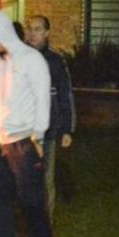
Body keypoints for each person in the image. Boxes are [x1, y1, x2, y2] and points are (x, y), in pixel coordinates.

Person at [0, 10, 53, 237]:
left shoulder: (32, 60)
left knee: (32, 202)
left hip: (23, 142)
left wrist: (37, 135)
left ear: (1, 32)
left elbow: (43, 99)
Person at [25, 15, 77, 223]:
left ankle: (45, 224)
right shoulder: (19, 57)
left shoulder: (55, 61)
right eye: (30, 28)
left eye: (37, 29)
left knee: (45, 177)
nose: (32, 33)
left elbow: (65, 94)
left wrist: (67, 129)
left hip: (47, 130)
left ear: (47, 33)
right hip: (22, 130)